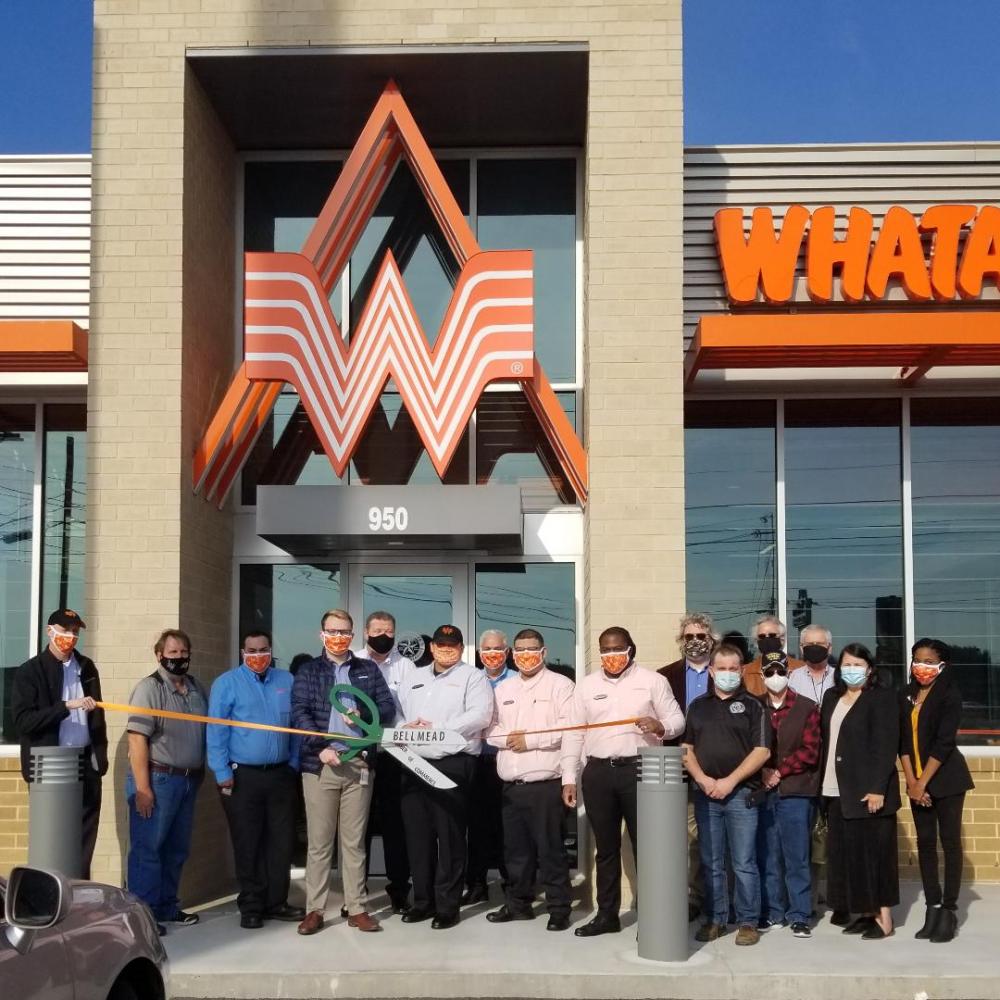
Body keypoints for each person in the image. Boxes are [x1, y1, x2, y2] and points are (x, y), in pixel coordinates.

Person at [561, 626, 684, 938]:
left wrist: (661, 727)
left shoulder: (653, 681)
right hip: (599, 772)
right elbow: (574, 733)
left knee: (648, 846)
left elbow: (677, 720)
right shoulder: (586, 686)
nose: (611, 656)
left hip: (640, 769)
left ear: (631, 649)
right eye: (605, 650)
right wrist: (568, 777)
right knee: (606, 848)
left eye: (617, 649)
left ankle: (654, 919)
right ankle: (607, 915)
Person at [292, 609, 395, 935]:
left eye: (345, 632)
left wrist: (362, 711)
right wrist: (319, 747)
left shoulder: (367, 669)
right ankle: (315, 910)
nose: (339, 637)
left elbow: (387, 709)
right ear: (321, 634)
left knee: (353, 842)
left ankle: (357, 907)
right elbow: (300, 713)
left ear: (354, 635)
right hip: (321, 764)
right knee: (320, 844)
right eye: (332, 631)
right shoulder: (309, 671)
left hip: (359, 763)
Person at [397, 624, 494, 929]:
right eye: (441, 645)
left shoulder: (473, 677)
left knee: (450, 837)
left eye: (453, 645)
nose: (446, 650)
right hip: (412, 762)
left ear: (461, 648)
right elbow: (398, 713)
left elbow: (480, 716)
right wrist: (404, 729)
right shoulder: (414, 677)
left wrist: (438, 728)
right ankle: (423, 902)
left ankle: (448, 906)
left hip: (453, 762)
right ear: (432, 648)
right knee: (418, 837)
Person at [207, 630, 303, 930]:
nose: (258, 656)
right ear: (242, 652)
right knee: (248, 843)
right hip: (242, 777)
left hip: (281, 775)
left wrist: (294, 764)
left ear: (270, 651)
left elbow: (298, 727)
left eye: (263, 650)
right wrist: (222, 773)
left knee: (281, 842)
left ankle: (277, 902)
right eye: (252, 650)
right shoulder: (226, 684)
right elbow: (216, 732)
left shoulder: (286, 682)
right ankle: (251, 905)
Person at [682, 644, 772, 946]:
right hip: (706, 794)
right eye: (721, 668)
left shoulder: (754, 705)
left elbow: (762, 751)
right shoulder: (697, 706)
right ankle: (716, 919)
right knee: (711, 861)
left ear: (742, 670)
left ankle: (748, 921)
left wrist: (730, 781)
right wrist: (703, 779)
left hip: (741, 795)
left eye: (734, 669)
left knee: (744, 861)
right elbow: (687, 749)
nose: (728, 674)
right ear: (711, 671)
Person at [485, 628, 575, 931]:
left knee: (551, 850)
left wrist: (531, 740)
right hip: (512, 784)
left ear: (544, 652)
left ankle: (559, 908)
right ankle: (518, 904)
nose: (526, 655)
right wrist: (509, 739)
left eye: (531, 649)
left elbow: (570, 727)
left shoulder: (560, 685)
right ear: (513, 653)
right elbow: (490, 729)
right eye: (520, 650)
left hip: (545, 784)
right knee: (516, 852)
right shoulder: (503, 690)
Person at [12, 609, 107, 879]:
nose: (71, 637)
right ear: (49, 631)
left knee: (83, 841)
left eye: (76, 632)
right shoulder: (31, 671)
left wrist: (100, 758)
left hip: (85, 763)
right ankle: (51, 901)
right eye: (65, 631)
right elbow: (24, 721)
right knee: (52, 839)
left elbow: (98, 716)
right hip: (50, 767)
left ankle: (78, 898)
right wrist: (65, 707)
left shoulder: (86, 667)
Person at [125, 629, 207, 934]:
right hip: (157, 781)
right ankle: (143, 918)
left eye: (184, 652)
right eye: (173, 653)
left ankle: (167, 908)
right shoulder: (149, 688)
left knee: (176, 850)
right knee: (148, 850)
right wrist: (143, 789)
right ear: (159, 655)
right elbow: (137, 741)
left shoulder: (196, 688)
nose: (179, 658)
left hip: (187, 782)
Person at [820, 643, 900, 940]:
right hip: (836, 789)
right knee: (851, 857)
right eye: (846, 664)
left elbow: (886, 745)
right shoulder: (832, 697)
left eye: (858, 664)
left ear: (870, 668)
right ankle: (866, 913)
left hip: (869, 791)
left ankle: (884, 917)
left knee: (875, 856)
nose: (851, 669)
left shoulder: (881, 698)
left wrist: (878, 787)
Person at [900, 638, 974, 944]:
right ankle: (932, 906)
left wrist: (922, 783)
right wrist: (911, 782)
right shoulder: (905, 695)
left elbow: (944, 744)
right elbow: (902, 742)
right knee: (926, 843)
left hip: (946, 780)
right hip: (916, 782)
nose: (922, 666)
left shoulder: (949, 695)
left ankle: (949, 910)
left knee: (950, 843)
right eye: (918, 659)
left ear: (941, 665)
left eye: (929, 661)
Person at [658, 612, 719, 921]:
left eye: (701, 635)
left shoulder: (724, 672)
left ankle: (706, 896)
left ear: (712, 639)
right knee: (678, 836)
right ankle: (679, 897)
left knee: (706, 837)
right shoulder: (664, 676)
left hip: (715, 767)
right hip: (674, 767)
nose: (695, 641)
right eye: (689, 636)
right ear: (680, 641)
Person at [755, 652, 821, 938]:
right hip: (762, 792)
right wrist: (762, 773)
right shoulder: (754, 706)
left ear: (788, 673)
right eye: (768, 671)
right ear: (761, 675)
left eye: (779, 670)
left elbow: (810, 751)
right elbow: (746, 747)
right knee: (768, 855)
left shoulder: (807, 708)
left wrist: (779, 772)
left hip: (796, 791)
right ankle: (773, 912)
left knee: (797, 856)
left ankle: (800, 914)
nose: (774, 676)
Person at [358, 610, 416, 913]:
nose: (384, 636)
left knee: (397, 826)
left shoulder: (406, 666)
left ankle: (398, 890)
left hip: (394, 754)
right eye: (378, 630)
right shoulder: (353, 661)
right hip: (360, 753)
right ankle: (358, 892)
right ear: (366, 633)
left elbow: (409, 708)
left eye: (390, 631)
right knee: (358, 827)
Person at [464, 628, 512, 906]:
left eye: (498, 650)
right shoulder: (470, 679)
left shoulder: (518, 681)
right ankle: (477, 884)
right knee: (477, 827)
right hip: (476, 761)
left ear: (506, 652)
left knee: (507, 828)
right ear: (480, 653)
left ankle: (511, 884)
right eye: (487, 650)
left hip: (507, 760)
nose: (492, 655)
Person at [743, 616, 805, 697]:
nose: (767, 639)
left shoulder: (800, 669)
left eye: (772, 635)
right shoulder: (746, 672)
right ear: (756, 641)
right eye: (762, 636)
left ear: (782, 639)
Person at [789, 625, 837, 703]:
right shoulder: (792, 678)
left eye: (819, 644)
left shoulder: (839, 678)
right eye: (810, 644)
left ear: (829, 648)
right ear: (801, 648)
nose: (815, 648)